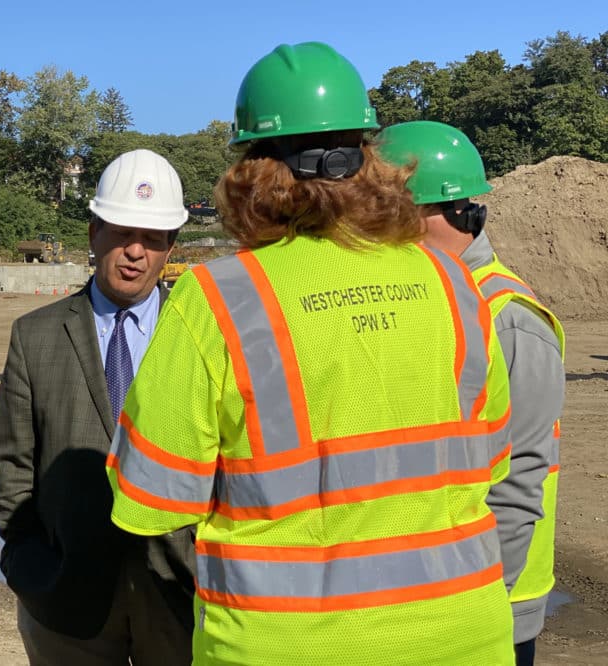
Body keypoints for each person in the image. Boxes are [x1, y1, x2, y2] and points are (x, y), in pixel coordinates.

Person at [106, 42, 517, 665]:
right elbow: (490, 462)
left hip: (285, 643)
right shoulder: (453, 282)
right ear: (370, 160)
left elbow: (149, 499)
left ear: (252, 169)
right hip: (464, 633)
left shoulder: (217, 297)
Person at [0, 149, 196, 665]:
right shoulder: (34, 336)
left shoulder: (200, 333)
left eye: (152, 239)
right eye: (122, 233)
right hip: (64, 603)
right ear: (93, 233)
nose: (135, 252)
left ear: (170, 247)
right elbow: (11, 467)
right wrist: (29, 565)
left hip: (179, 595)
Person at [378, 120, 566, 666]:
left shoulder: (508, 318)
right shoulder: (439, 296)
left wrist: (478, 605)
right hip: (444, 593)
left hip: (493, 603)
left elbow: (518, 483)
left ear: (430, 213)